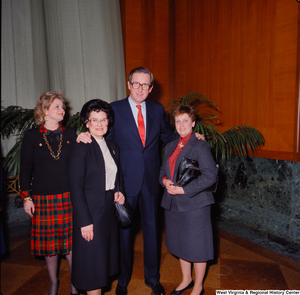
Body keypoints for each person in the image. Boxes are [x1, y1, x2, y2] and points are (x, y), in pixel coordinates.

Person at [77, 67, 204, 295]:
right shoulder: (114, 109)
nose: (141, 88)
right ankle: (123, 280)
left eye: (145, 85)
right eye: (137, 83)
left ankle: (152, 278)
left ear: (151, 88)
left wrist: (191, 137)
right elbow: (103, 137)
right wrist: (82, 134)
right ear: (129, 84)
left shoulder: (156, 109)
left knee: (152, 231)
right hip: (125, 183)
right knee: (124, 233)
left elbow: (168, 135)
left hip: (152, 181)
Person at [20, 91, 77, 295]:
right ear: (45, 110)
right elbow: (25, 169)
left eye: (63, 107)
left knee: (70, 245)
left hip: (68, 198)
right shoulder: (31, 136)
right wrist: (26, 197)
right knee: (49, 245)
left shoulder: (71, 134)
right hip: (43, 200)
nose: (63, 110)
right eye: (57, 107)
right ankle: (53, 282)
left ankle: (74, 284)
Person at [68, 99, 126, 295]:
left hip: (108, 213)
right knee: (92, 268)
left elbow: (116, 176)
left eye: (104, 119)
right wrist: (84, 221)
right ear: (86, 122)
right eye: (95, 120)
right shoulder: (81, 146)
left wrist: (119, 192)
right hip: (90, 215)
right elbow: (75, 188)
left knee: (102, 265)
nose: (100, 124)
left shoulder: (112, 147)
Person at [159, 105, 218, 295]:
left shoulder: (200, 145)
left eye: (186, 120)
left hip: (195, 205)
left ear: (193, 123)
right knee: (181, 244)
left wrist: (184, 190)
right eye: (178, 121)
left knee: (197, 246)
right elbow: (162, 171)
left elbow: (210, 177)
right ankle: (186, 280)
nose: (182, 124)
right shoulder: (170, 145)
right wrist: (165, 181)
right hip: (173, 205)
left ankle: (199, 286)